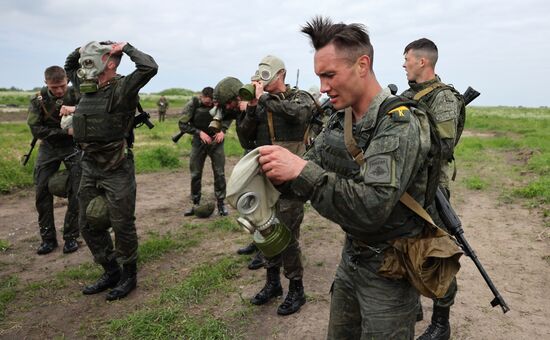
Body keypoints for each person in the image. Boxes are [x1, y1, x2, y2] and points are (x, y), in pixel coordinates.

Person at [256, 16, 432, 338]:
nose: (323, 87)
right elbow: (306, 168)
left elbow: (371, 206)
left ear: (362, 65)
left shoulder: (399, 123)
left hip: (390, 271)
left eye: (329, 75)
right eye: (319, 77)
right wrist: (268, 175)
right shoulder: (341, 118)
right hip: (351, 260)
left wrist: (300, 170)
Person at [64, 41, 158, 301]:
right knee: (86, 224)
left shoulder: (123, 89)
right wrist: (81, 48)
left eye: (90, 60)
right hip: (89, 165)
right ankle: (110, 270)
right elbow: (69, 64)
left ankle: (129, 275)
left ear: (111, 63)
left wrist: (126, 47)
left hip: (117, 166)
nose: (84, 66)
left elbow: (149, 67)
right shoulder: (86, 87)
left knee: (122, 224)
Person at [238, 55, 315, 316]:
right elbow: (244, 138)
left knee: (288, 237)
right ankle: (272, 283)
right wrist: (250, 108)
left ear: (280, 74)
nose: (261, 78)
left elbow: (300, 115)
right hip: (264, 180)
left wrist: (264, 99)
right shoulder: (259, 105)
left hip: (292, 181)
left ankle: (296, 288)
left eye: (267, 74)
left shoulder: (300, 98)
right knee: (264, 230)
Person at [401, 38, 465, 340]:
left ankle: (441, 322)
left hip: (431, 191)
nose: (404, 65)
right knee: (401, 247)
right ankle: (410, 305)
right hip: (404, 187)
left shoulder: (445, 99)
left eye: (407, 60)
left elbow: (443, 145)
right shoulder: (406, 96)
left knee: (437, 254)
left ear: (422, 62)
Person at [27, 66, 81, 255]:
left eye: (62, 85)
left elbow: (89, 113)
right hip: (49, 147)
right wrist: (64, 132)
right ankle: (48, 239)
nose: (59, 90)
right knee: (41, 191)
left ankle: (71, 237)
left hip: (72, 147)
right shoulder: (37, 100)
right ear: (46, 83)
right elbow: (36, 129)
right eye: (54, 87)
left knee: (77, 189)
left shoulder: (76, 94)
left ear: (67, 80)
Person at [179, 86, 231, 217]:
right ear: (202, 97)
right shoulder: (193, 104)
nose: (210, 105)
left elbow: (230, 115)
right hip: (199, 142)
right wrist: (199, 132)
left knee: (219, 173)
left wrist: (223, 130)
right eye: (207, 102)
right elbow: (182, 124)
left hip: (216, 142)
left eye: (211, 102)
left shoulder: (219, 103)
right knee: (195, 174)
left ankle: (221, 204)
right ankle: (195, 204)